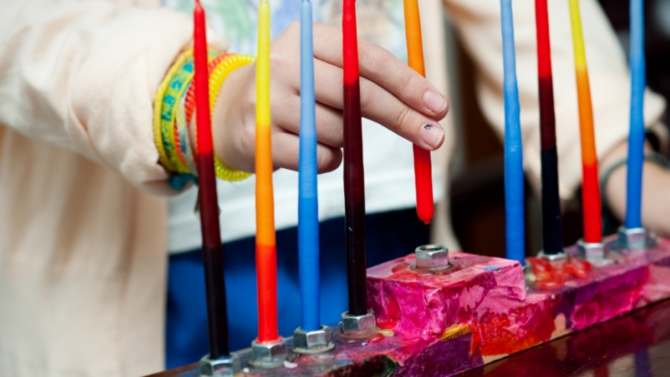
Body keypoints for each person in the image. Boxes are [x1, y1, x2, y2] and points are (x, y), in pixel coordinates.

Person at [0, 0, 667, 375]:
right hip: (170, 276)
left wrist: (617, 151)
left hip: (398, 246)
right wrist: (211, 94)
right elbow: (29, 29)